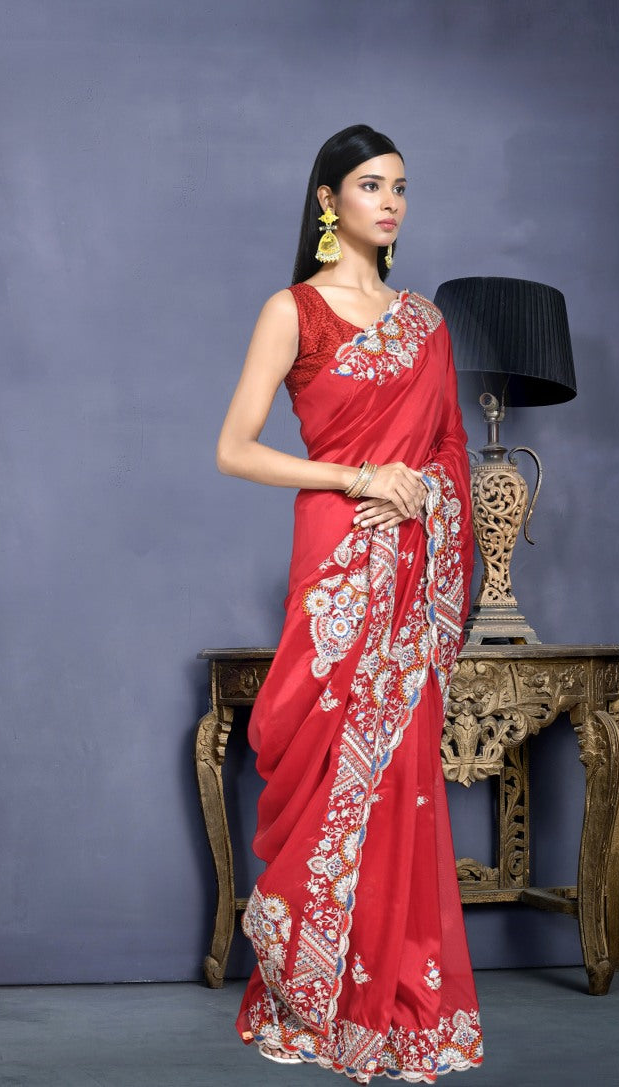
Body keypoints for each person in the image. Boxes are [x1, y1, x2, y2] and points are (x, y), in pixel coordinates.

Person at [216, 124, 483, 1082]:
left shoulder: (427, 322)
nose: (391, 202)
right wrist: (359, 475)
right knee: (324, 767)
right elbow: (235, 448)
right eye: (371, 185)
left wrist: (422, 493)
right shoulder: (293, 311)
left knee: (400, 775)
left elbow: (449, 450)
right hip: (336, 562)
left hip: (411, 566)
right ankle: (309, 994)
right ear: (329, 200)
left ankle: (393, 1004)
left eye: (400, 186)